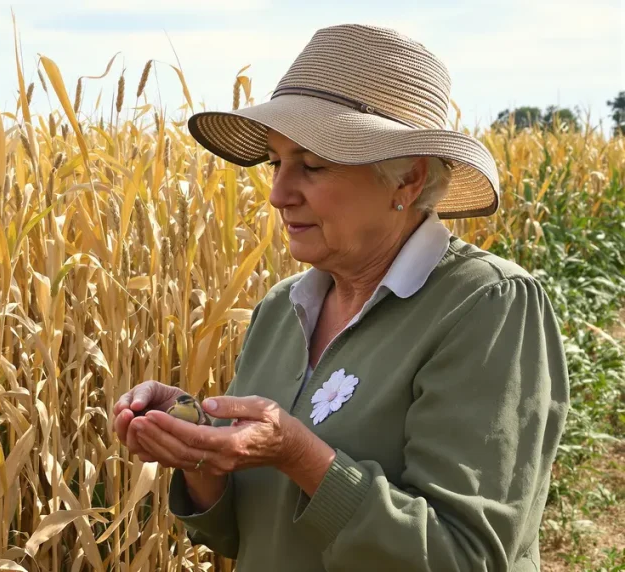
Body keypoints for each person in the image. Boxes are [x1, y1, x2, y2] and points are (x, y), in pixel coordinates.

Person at [112, 23, 569, 570]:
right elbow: (253, 535)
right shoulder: (282, 309)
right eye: (276, 162)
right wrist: (196, 450)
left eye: (313, 165)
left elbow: (468, 557)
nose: (279, 193)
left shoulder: (486, 307)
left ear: (406, 179)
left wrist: (300, 455)